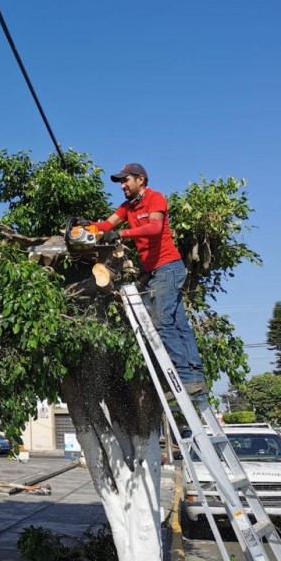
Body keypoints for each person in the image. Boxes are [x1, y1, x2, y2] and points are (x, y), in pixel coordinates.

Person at [87, 163, 206, 396]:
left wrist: (122, 233)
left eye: (126, 180)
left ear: (140, 179)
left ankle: (184, 378)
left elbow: (154, 227)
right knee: (179, 324)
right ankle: (195, 378)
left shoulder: (155, 198)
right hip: (155, 271)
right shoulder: (127, 207)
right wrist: (88, 227)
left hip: (168, 267)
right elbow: (107, 224)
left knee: (162, 323)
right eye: (121, 182)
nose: (122, 186)